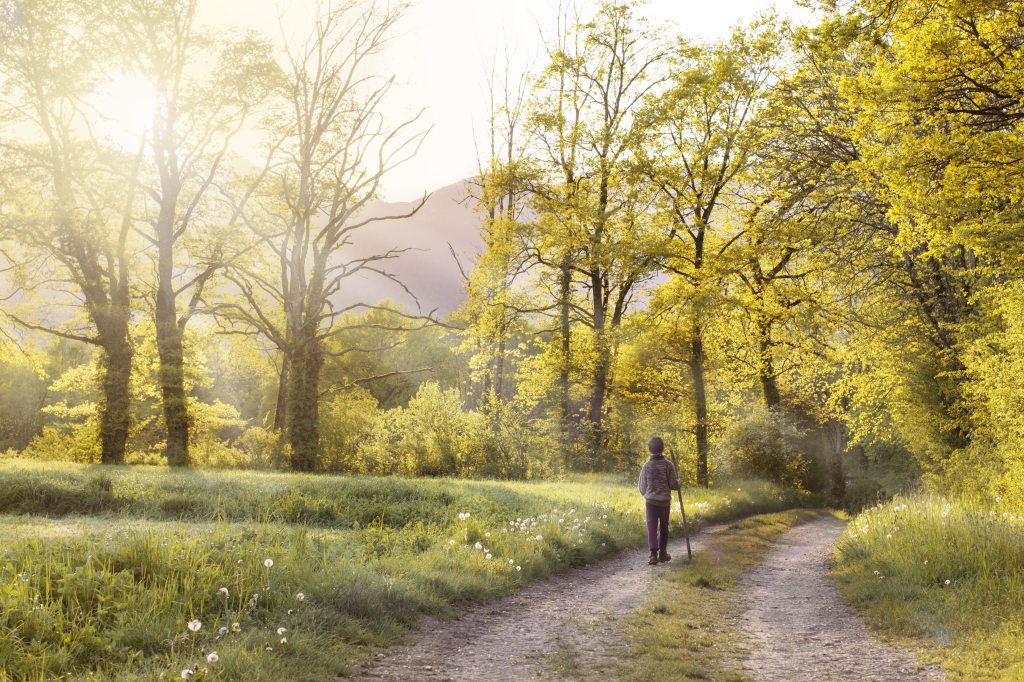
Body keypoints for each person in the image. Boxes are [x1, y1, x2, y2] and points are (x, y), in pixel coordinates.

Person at [637, 436, 680, 565]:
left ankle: (653, 554)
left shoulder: (647, 466)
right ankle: (663, 553)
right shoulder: (668, 465)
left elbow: (642, 487)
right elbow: (673, 484)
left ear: (649, 449)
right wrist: (679, 483)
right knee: (664, 527)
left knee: (652, 526)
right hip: (664, 502)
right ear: (663, 448)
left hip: (651, 502)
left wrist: (648, 495)